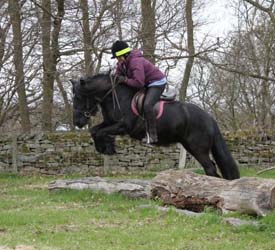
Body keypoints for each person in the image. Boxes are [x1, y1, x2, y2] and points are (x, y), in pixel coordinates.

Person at [111, 40, 167, 144]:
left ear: (125, 55)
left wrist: (125, 80)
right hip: (146, 83)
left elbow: (138, 83)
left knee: (147, 105)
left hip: (156, 83)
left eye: (119, 57)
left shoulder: (135, 62)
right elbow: (118, 75)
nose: (118, 60)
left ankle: (152, 135)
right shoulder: (122, 63)